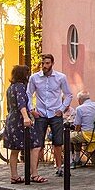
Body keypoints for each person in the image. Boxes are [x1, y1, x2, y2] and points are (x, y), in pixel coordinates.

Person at [27, 52, 73, 181]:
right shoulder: (34, 78)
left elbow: (68, 94)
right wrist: (32, 110)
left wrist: (62, 109)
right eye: (42, 63)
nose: (44, 66)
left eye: (47, 63)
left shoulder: (60, 77)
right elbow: (29, 94)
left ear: (52, 63)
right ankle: (33, 171)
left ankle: (59, 167)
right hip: (40, 113)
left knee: (58, 142)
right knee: (38, 143)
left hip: (55, 113)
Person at [3, 65, 33, 183]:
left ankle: (14, 175)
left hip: (11, 119)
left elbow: (8, 106)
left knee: (14, 150)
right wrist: (26, 117)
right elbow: (21, 104)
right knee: (31, 146)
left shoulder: (10, 87)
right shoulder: (20, 87)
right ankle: (31, 172)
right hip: (19, 120)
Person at [70, 89, 95, 167]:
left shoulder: (80, 108)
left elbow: (77, 126)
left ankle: (74, 159)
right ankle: (79, 159)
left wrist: (76, 130)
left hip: (88, 135)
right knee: (77, 136)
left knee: (69, 137)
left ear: (80, 100)